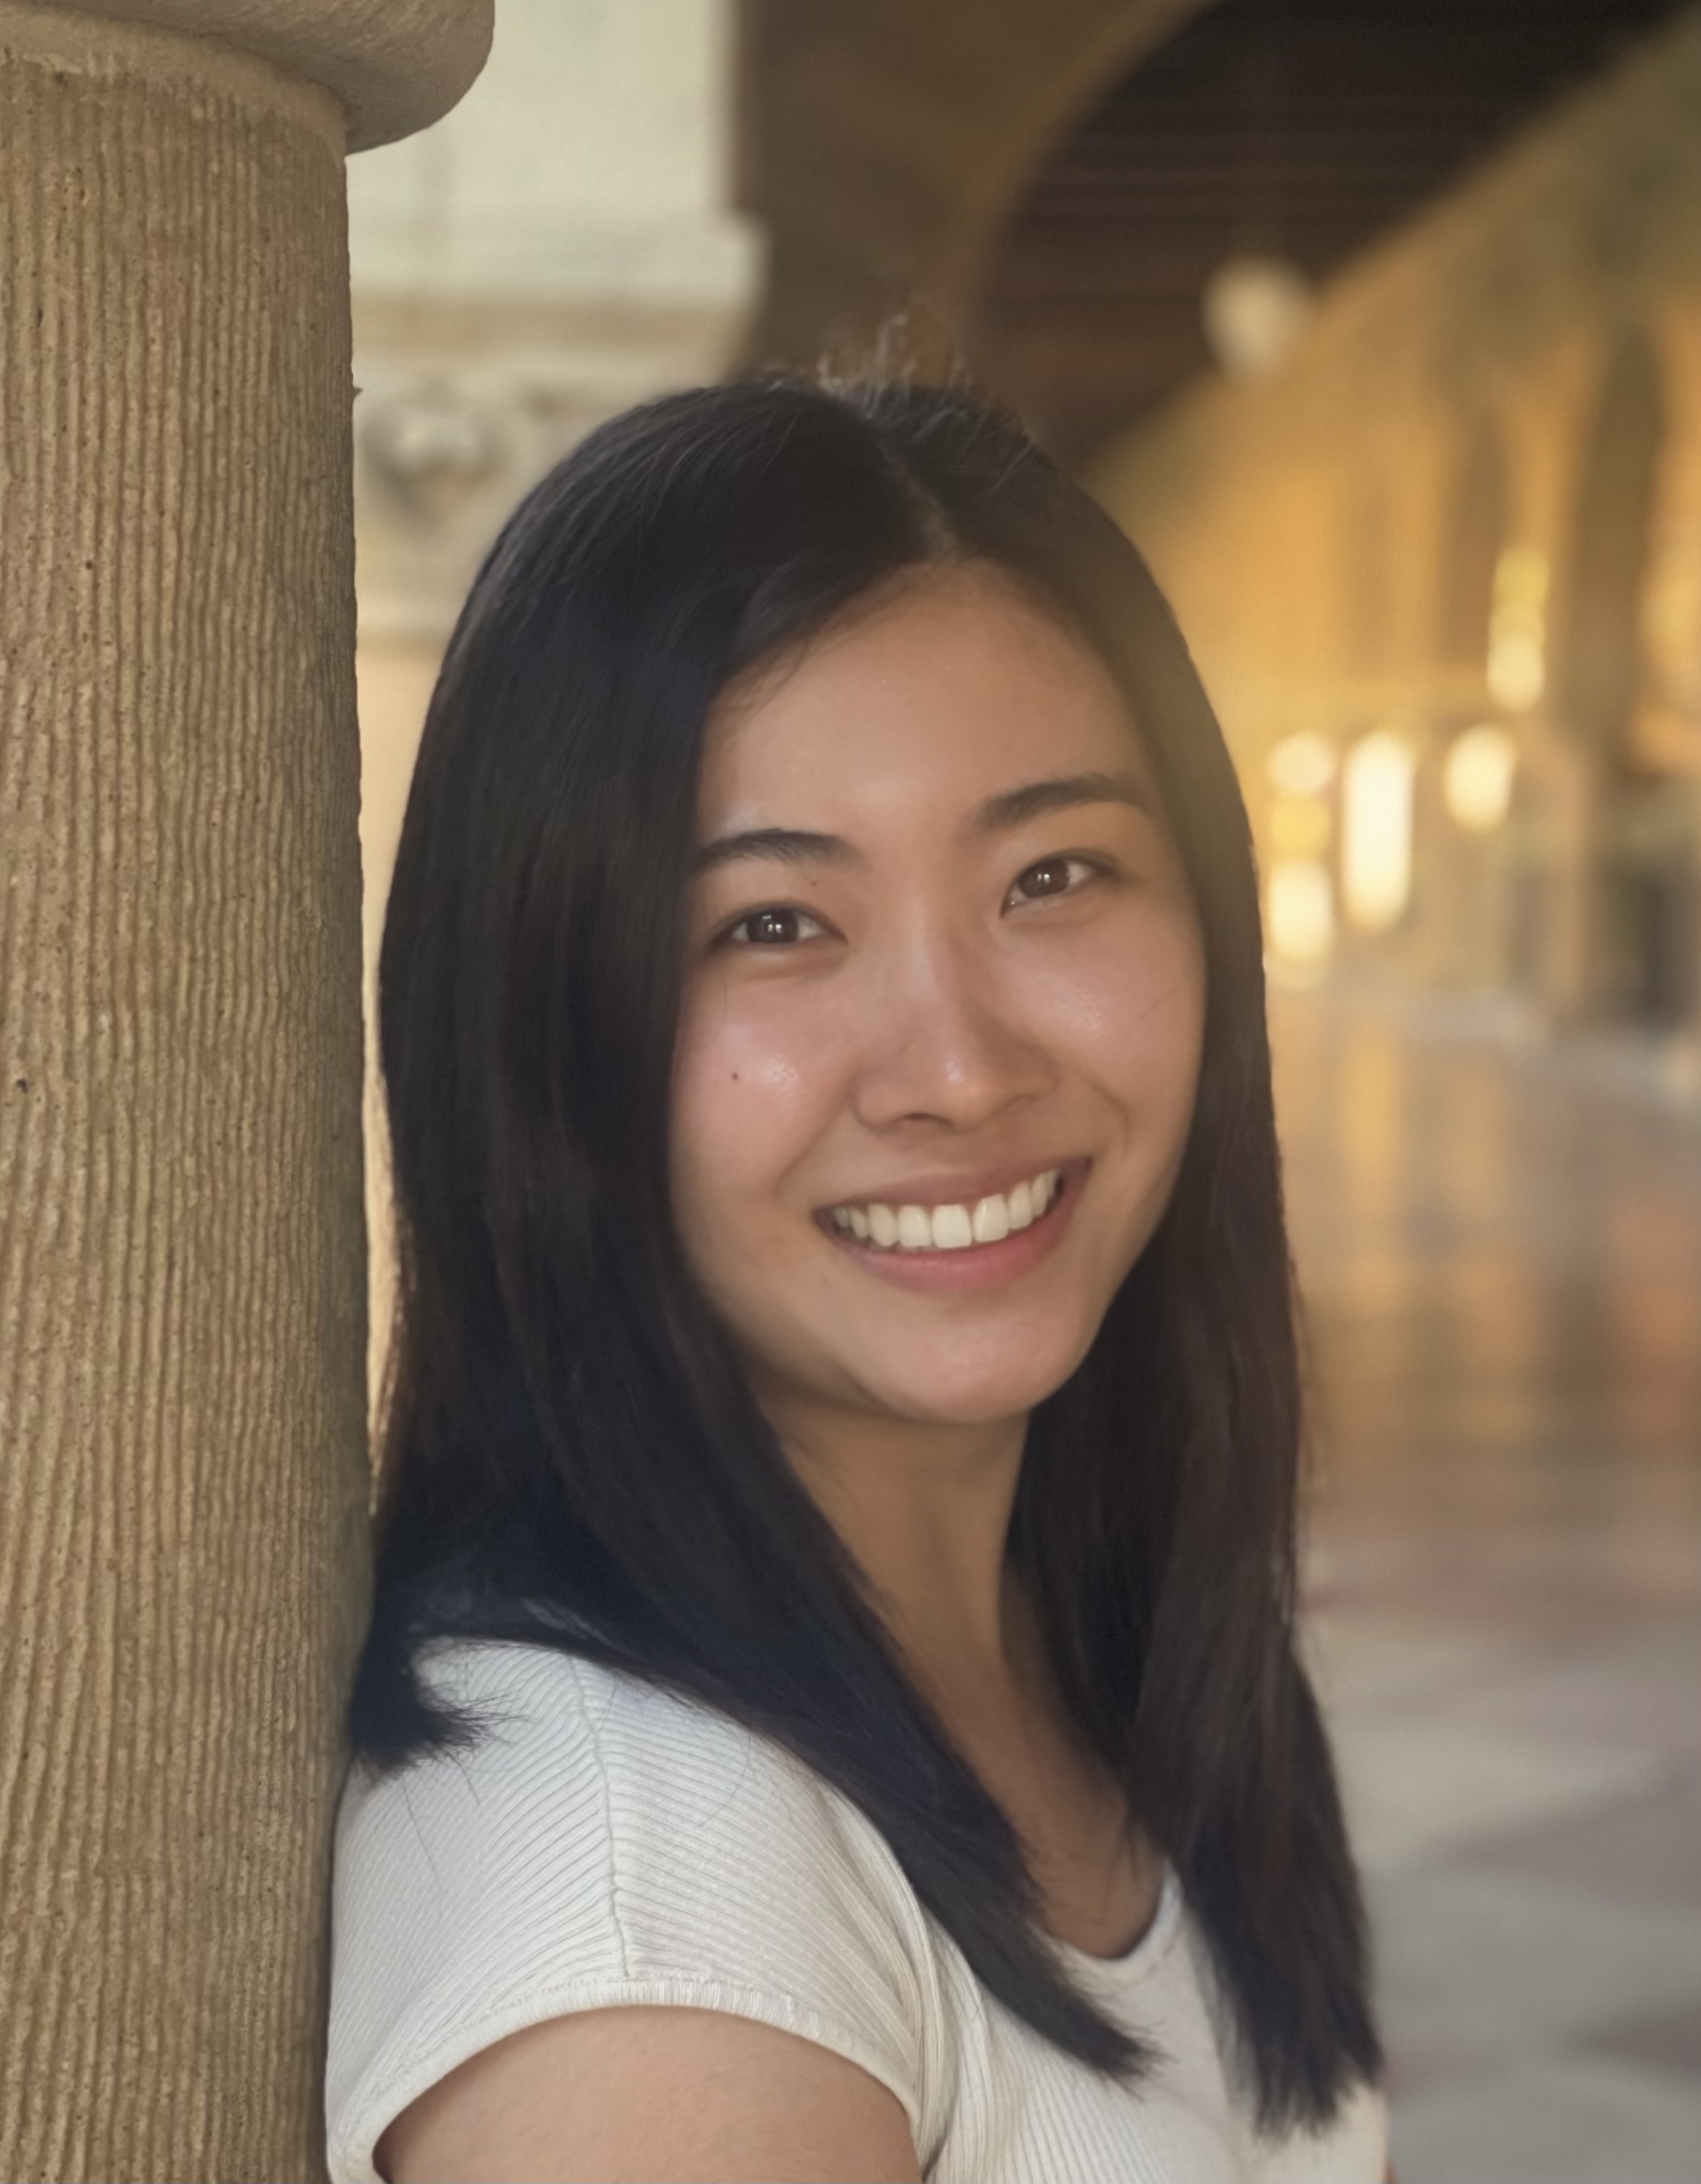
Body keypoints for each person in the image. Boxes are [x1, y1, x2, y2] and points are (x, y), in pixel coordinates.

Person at [324, 376, 1389, 2184]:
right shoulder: (652, 1924)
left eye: (1053, 874)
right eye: (772, 923)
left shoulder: (1126, 1628)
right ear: (541, 1029)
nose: (959, 1069)